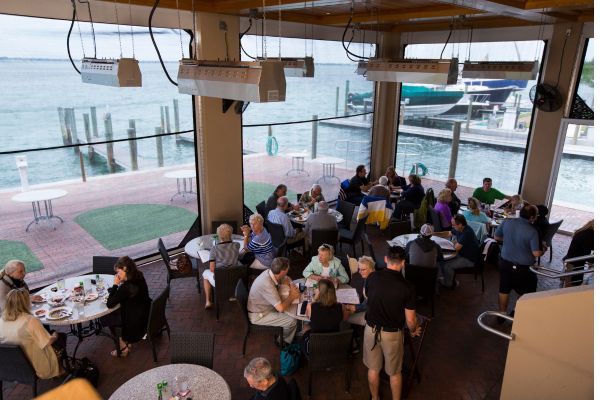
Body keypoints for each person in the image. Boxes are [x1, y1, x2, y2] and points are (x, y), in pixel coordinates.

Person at [363, 246, 421, 400]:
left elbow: (368, 298)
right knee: (394, 372)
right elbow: (410, 320)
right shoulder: (408, 287)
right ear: (403, 263)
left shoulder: (372, 277)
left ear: (385, 259)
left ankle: (375, 398)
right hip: (392, 334)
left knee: (373, 368)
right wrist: (414, 330)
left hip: (370, 329)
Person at [0, 289, 66, 379]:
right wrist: (55, 335)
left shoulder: (1, 321)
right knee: (61, 337)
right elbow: (48, 342)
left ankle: (59, 369)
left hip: (14, 367)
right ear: (25, 303)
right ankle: (59, 370)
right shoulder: (29, 320)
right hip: (36, 366)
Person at [494, 205, 544, 316]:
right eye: (536, 216)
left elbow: (496, 237)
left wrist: (507, 239)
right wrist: (544, 249)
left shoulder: (507, 222)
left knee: (504, 289)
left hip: (505, 263)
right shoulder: (533, 231)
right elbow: (536, 253)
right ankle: (516, 312)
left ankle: (502, 313)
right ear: (531, 217)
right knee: (525, 291)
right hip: (524, 268)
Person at [106, 256, 151, 357]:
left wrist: (115, 285)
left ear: (125, 268)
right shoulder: (139, 275)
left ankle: (123, 346)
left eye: (118, 272)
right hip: (146, 313)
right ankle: (126, 341)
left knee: (108, 317)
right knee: (115, 312)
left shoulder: (127, 287)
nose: (117, 275)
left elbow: (109, 304)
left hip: (136, 323)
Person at [247, 258, 300, 344]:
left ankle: (288, 334)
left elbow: (286, 278)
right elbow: (281, 308)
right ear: (282, 271)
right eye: (287, 269)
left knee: (290, 307)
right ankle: (282, 342)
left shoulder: (272, 272)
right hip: (259, 315)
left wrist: (291, 285)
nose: (288, 270)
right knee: (292, 321)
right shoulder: (267, 283)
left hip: (265, 307)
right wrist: (292, 296)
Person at [202, 224, 241, 310]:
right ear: (231, 235)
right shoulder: (236, 245)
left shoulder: (214, 249)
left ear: (219, 236)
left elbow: (212, 269)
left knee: (205, 273)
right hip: (234, 279)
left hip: (220, 281)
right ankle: (231, 294)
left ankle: (208, 301)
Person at [438, 215, 481, 288]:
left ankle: (449, 284)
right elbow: (448, 233)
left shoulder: (467, 233)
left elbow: (455, 249)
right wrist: (434, 234)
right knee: (442, 261)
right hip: (462, 254)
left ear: (460, 224)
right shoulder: (459, 228)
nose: (452, 226)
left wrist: (453, 243)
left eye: (453, 225)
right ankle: (445, 278)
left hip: (469, 259)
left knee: (447, 266)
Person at [563, 219, 594, 286]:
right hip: (574, 263)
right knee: (572, 286)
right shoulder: (588, 235)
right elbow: (586, 255)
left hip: (574, 262)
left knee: (574, 284)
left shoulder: (587, 231)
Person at [347, 256, 376, 326]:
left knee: (344, 316)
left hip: (373, 314)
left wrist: (355, 308)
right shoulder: (369, 277)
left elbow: (369, 304)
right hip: (367, 306)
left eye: (363, 270)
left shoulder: (373, 284)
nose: (360, 272)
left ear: (372, 269)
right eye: (359, 269)